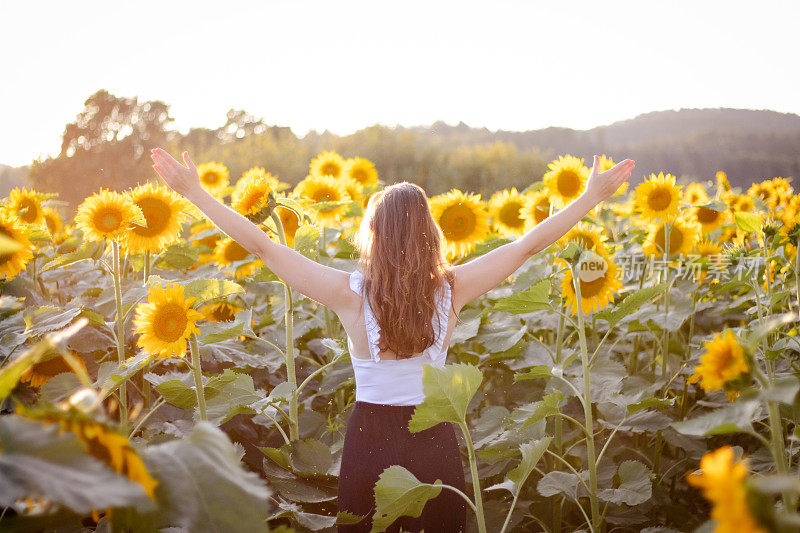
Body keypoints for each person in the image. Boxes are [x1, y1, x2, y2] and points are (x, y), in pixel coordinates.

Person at [150, 148, 634, 532]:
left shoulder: (349, 294)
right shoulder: (453, 288)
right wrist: (591, 197)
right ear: (429, 232)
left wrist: (193, 191)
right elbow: (528, 244)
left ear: (375, 233)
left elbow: (262, 245)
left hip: (370, 439)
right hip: (435, 437)